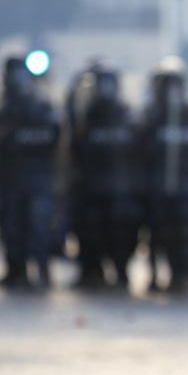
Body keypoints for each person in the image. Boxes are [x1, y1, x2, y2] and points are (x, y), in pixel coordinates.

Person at [141, 56, 188, 295]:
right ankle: (154, 276)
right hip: (157, 188)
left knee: (185, 236)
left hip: (187, 189)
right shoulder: (151, 117)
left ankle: (183, 277)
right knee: (157, 234)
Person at [0, 56, 60, 289]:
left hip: (38, 178)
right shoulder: (2, 109)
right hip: (10, 178)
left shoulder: (43, 106)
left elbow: (55, 140)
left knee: (39, 225)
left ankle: (42, 270)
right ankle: (15, 271)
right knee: (11, 226)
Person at [70, 66, 140, 289]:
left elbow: (138, 153)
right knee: (90, 233)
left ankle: (121, 272)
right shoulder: (87, 117)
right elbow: (74, 150)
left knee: (122, 234)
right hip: (91, 188)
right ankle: (92, 272)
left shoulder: (125, 114)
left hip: (120, 188)